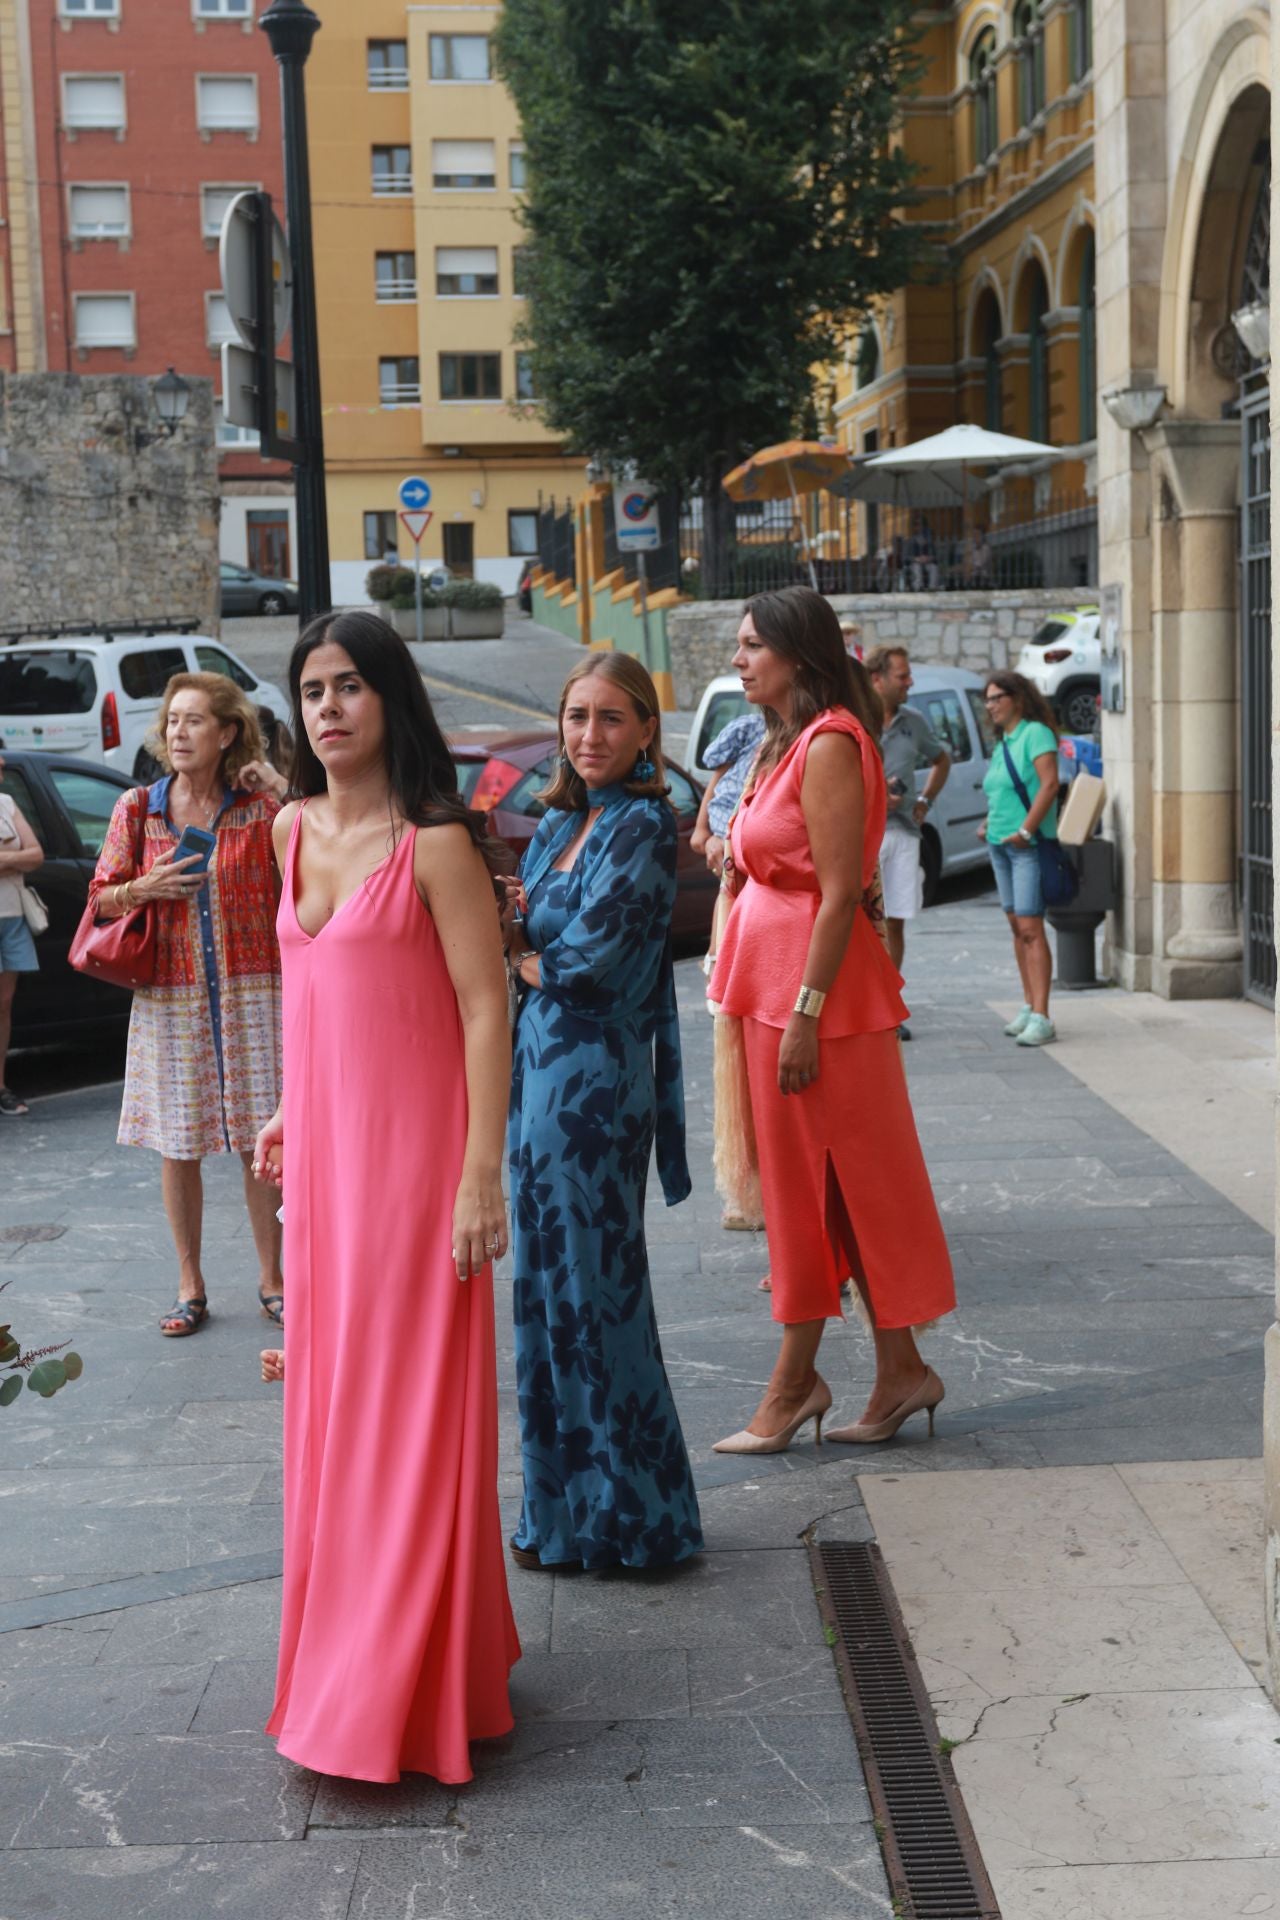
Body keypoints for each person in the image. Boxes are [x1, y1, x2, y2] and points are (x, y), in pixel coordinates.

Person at [253, 608, 519, 1784]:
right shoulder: (284, 830)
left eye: (351, 685)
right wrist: (282, 1107)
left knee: (403, 1424)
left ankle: (398, 1690)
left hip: (417, 1173)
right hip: (322, 1166)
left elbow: (482, 1007)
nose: (328, 707)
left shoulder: (438, 842)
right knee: (331, 1419)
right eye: (312, 688)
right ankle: (381, 1663)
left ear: (389, 700)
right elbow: (306, 988)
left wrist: (477, 1175)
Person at [709, 587, 955, 1453]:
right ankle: (900, 1372)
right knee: (832, 1190)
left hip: (816, 1001)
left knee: (820, 1187)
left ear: (797, 655)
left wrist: (807, 1014)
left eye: (749, 646)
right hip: (775, 988)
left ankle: (793, 1385)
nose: (737, 659)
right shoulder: (783, 745)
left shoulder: (829, 747)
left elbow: (843, 890)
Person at [505, 653, 703, 1572]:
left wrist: (519, 953)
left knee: (598, 1300)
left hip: (595, 1088)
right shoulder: (558, 823)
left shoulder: (644, 824)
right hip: (539, 1080)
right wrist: (522, 935)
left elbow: (581, 965)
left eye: (612, 719)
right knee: (548, 1297)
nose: (590, 736)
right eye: (577, 716)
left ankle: (635, 1519)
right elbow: (535, 926)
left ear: (647, 732)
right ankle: (564, 1516)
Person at [88, 675, 284, 1335]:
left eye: (194, 721)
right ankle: (189, 1282)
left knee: (263, 1136)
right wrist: (144, 887)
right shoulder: (137, 808)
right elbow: (99, 899)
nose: (177, 732)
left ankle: (273, 1278)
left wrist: (282, 788)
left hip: (255, 989)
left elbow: (318, 853)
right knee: (180, 1142)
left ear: (228, 732)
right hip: (170, 994)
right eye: (172, 721)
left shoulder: (259, 808)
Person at [691, 709, 767, 1236]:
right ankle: (750, 1190)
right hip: (734, 908)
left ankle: (781, 1202)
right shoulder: (745, 733)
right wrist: (715, 841)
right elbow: (700, 834)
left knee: (767, 1061)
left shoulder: (823, 739)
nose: (741, 663)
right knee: (736, 1056)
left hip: (770, 915)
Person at [865, 645, 951, 1035]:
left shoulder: (913, 722)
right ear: (877, 679)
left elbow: (941, 759)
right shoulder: (855, 718)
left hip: (901, 831)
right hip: (862, 833)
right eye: (902, 675)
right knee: (859, 922)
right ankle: (862, 1003)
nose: (909, 682)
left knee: (894, 921)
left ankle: (886, 1004)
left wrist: (923, 802)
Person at [981, 669, 1061, 1048]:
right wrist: (988, 824)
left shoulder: (1035, 733)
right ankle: (1030, 1006)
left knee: (1031, 928)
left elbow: (1049, 784)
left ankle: (1043, 1015)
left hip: (1025, 845)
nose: (990, 705)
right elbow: (1001, 792)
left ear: (1018, 698)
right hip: (1000, 844)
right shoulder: (1004, 742)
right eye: (988, 699)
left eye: (998, 697)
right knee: (1017, 928)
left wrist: (1026, 830)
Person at [0, 758, 44, 1117]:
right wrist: (14, 859)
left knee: (4, 1005)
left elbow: (36, 855)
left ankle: (0, 1086)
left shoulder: (7, 804)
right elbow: (24, 857)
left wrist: (3, 860)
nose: (1, 768)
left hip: (12, 916)